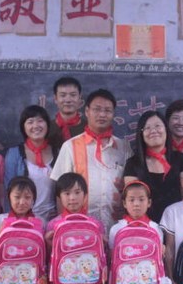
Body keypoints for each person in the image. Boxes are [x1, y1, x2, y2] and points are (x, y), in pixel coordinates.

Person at [51, 89, 132, 232]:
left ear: (113, 114)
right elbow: (60, 191)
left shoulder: (123, 147)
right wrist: (65, 227)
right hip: (81, 229)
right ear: (87, 111)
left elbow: (132, 187)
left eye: (107, 110)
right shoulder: (70, 146)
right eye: (97, 109)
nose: (102, 114)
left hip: (116, 228)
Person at [124, 110, 183, 222]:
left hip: (177, 223)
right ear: (141, 134)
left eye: (157, 126)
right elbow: (132, 201)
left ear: (166, 129)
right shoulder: (133, 163)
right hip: (145, 225)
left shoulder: (181, 159)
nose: (153, 131)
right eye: (147, 128)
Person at [4, 105, 58, 223]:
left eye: (40, 121)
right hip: (25, 219)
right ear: (23, 127)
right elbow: (8, 189)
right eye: (30, 122)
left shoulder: (57, 152)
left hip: (53, 219)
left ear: (47, 125)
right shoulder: (14, 154)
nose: (36, 126)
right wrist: (11, 220)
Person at [47, 76, 87, 149]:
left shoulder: (89, 128)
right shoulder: (46, 128)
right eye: (63, 95)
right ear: (55, 99)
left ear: (79, 97)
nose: (68, 100)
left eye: (73, 95)